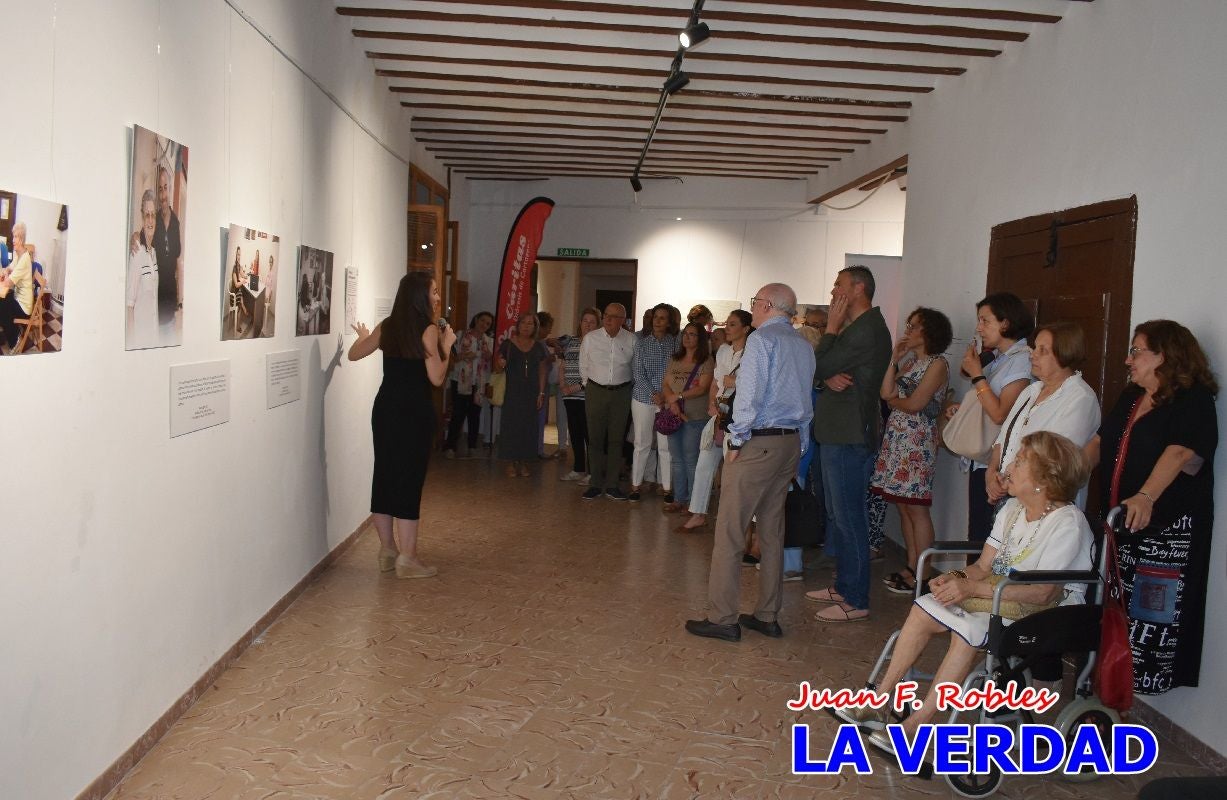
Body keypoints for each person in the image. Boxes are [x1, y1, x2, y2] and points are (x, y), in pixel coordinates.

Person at [838, 432, 1093, 736]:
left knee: (966, 631)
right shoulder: (1012, 511)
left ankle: (914, 726)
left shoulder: (1067, 523)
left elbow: (1044, 592)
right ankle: (879, 701)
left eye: (1021, 461)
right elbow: (983, 567)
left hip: (1047, 614)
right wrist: (954, 579)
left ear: (1046, 478)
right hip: (1000, 597)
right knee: (925, 607)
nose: (1008, 467)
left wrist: (971, 589)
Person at [1084, 320, 1218, 695]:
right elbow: (1099, 442)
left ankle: (1129, 704)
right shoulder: (1131, 396)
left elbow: (1181, 452)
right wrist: (1060, 475)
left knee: (1149, 618)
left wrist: (1146, 496)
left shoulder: (1193, 399)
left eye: (1137, 350)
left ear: (1165, 355)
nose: (1129, 360)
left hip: (1164, 534)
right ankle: (1110, 691)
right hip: (1120, 525)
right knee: (1113, 611)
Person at [685, 283, 815, 642]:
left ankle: (723, 617)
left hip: (757, 443)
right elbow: (805, 403)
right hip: (788, 444)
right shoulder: (804, 346)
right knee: (772, 531)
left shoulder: (761, 340)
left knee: (730, 530)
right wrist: (799, 446)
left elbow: (749, 396)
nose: (753, 308)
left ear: (769, 305)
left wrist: (737, 438)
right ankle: (768, 614)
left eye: (756, 302)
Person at [347, 271, 454, 579]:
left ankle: (387, 550)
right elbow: (436, 377)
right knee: (409, 479)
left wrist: (366, 337)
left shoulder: (388, 325)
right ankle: (408, 558)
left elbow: (355, 354)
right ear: (420, 295)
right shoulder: (429, 329)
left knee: (385, 474)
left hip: (386, 408)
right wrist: (448, 345)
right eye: (434, 291)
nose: (437, 297)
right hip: (414, 411)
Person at [808, 265, 893, 623]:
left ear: (858, 288)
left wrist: (828, 331)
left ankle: (856, 598)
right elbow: (820, 369)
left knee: (849, 517)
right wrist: (827, 376)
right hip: (836, 432)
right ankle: (843, 585)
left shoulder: (867, 329)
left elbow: (817, 360)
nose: (832, 292)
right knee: (838, 514)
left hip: (849, 435)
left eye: (838, 285)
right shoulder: (856, 328)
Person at [871, 307, 953, 594]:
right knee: (904, 507)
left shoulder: (937, 363)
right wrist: (894, 360)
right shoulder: (910, 362)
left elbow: (916, 404)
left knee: (917, 509)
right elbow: (885, 392)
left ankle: (924, 574)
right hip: (898, 438)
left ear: (929, 331)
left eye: (914, 325)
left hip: (917, 442)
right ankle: (911, 565)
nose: (908, 329)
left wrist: (895, 401)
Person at [945, 293, 1034, 541]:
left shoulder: (1022, 360)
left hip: (1002, 464)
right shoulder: (998, 358)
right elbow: (987, 403)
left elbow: (999, 414)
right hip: (984, 459)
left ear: (1005, 323)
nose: (979, 328)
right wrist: (964, 408)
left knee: (989, 539)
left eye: (985, 321)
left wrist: (976, 375)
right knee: (978, 534)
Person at [985, 322, 1100, 508]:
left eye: (1043, 350)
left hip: (1047, 505)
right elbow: (1004, 438)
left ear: (1064, 354)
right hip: (1012, 497)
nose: (1033, 354)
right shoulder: (1031, 391)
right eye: (1035, 347)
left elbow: (1055, 458)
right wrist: (991, 473)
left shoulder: (1080, 397)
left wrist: (1009, 479)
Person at [679, 309, 753, 532]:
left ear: (745, 329)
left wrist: (737, 383)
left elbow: (758, 388)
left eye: (732, 324)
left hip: (737, 417)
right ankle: (698, 513)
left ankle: (729, 519)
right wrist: (712, 404)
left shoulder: (752, 354)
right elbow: (714, 383)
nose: (727, 328)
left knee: (730, 471)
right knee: (704, 465)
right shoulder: (722, 351)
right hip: (718, 415)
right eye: (727, 324)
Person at [579, 303, 637, 500]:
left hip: (621, 393)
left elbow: (635, 367)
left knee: (616, 439)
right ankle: (595, 483)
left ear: (623, 320)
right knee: (595, 438)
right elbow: (583, 364)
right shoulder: (590, 338)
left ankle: (612, 485)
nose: (608, 319)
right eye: (606, 315)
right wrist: (589, 385)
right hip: (595, 391)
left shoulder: (631, 340)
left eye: (614, 316)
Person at [662, 322, 715, 514]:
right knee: (676, 459)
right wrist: (672, 401)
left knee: (691, 459)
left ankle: (694, 503)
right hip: (673, 414)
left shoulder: (706, 360)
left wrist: (679, 397)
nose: (687, 337)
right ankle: (679, 499)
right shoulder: (675, 359)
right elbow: (666, 384)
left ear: (700, 339)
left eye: (692, 334)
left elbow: (703, 387)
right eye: (685, 334)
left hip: (694, 416)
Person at [629, 304, 679, 503]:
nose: (657, 321)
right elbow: (638, 373)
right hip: (643, 398)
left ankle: (666, 487)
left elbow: (675, 372)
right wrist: (653, 394)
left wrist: (665, 395)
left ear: (669, 322)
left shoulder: (675, 344)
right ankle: (636, 485)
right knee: (642, 443)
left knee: (666, 446)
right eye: (655, 317)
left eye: (662, 318)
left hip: (667, 399)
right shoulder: (641, 343)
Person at [494, 312, 548, 478]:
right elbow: (497, 369)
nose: (526, 326)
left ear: (535, 327)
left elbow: (542, 371)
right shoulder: (508, 344)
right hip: (512, 391)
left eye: (530, 323)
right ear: (518, 325)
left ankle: (523, 461)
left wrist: (541, 392)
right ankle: (510, 462)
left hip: (531, 392)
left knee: (528, 427)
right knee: (511, 426)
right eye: (523, 323)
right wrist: (500, 364)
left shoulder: (539, 347)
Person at [444, 311, 494, 458]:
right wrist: (462, 357)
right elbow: (452, 355)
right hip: (459, 380)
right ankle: (450, 447)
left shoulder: (489, 341)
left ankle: (472, 446)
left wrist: (482, 355)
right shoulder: (460, 335)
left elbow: (490, 359)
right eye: (482, 321)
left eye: (488, 324)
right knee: (457, 414)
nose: (484, 325)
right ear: (476, 319)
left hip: (478, 383)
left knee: (474, 415)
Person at [559, 308, 601, 483]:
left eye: (592, 321)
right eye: (585, 320)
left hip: (587, 396)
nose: (588, 324)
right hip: (569, 397)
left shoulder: (598, 345)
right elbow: (562, 365)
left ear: (598, 325)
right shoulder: (571, 342)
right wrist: (563, 385)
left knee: (588, 435)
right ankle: (578, 469)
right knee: (574, 433)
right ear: (580, 323)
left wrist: (575, 387)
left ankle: (592, 472)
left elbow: (595, 372)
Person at [125, 195, 161, 350]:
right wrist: (132, 346)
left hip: (154, 336)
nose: (150, 220)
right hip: (140, 340)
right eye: (147, 215)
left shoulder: (153, 253)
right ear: (142, 217)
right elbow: (129, 305)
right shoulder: (136, 252)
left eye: (153, 215)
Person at [153, 165, 182, 340]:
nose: (163, 195)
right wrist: (134, 236)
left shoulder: (176, 223)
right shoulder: (153, 220)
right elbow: (142, 240)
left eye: (166, 188)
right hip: (153, 301)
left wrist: (179, 301)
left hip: (169, 301)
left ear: (170, 189)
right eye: (160, 189)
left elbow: (178, 262)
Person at [0, 221, 35, 352]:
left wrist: (5, 276)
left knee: (2, 307)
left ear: (22, 239)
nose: (13, 240)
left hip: (24, 306)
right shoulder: (18, 254)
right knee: (2, 301)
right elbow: (10, 267)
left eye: (16, 237)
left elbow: (9, 283)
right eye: (13, 236)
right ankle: (10, 331)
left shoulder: (25, 259)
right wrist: (5, 271)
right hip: (18, 298)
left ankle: (15, 340)